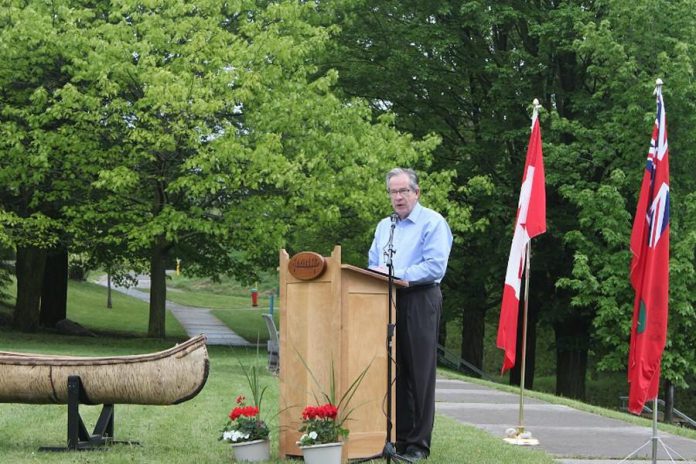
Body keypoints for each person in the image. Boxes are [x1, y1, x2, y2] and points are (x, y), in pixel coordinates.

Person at [368, 167, 453, 461]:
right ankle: (398, 439)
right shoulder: (384, 226)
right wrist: (378, 276)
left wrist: (397, 274)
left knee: (419, 372)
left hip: (419, 298)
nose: (398, 197)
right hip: (388, 299)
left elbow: (435, 266)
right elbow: (372, 261)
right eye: (393, 192)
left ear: (416, 192)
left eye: (404, 191)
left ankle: (418, 444)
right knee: (395, 370)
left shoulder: (433, 223)